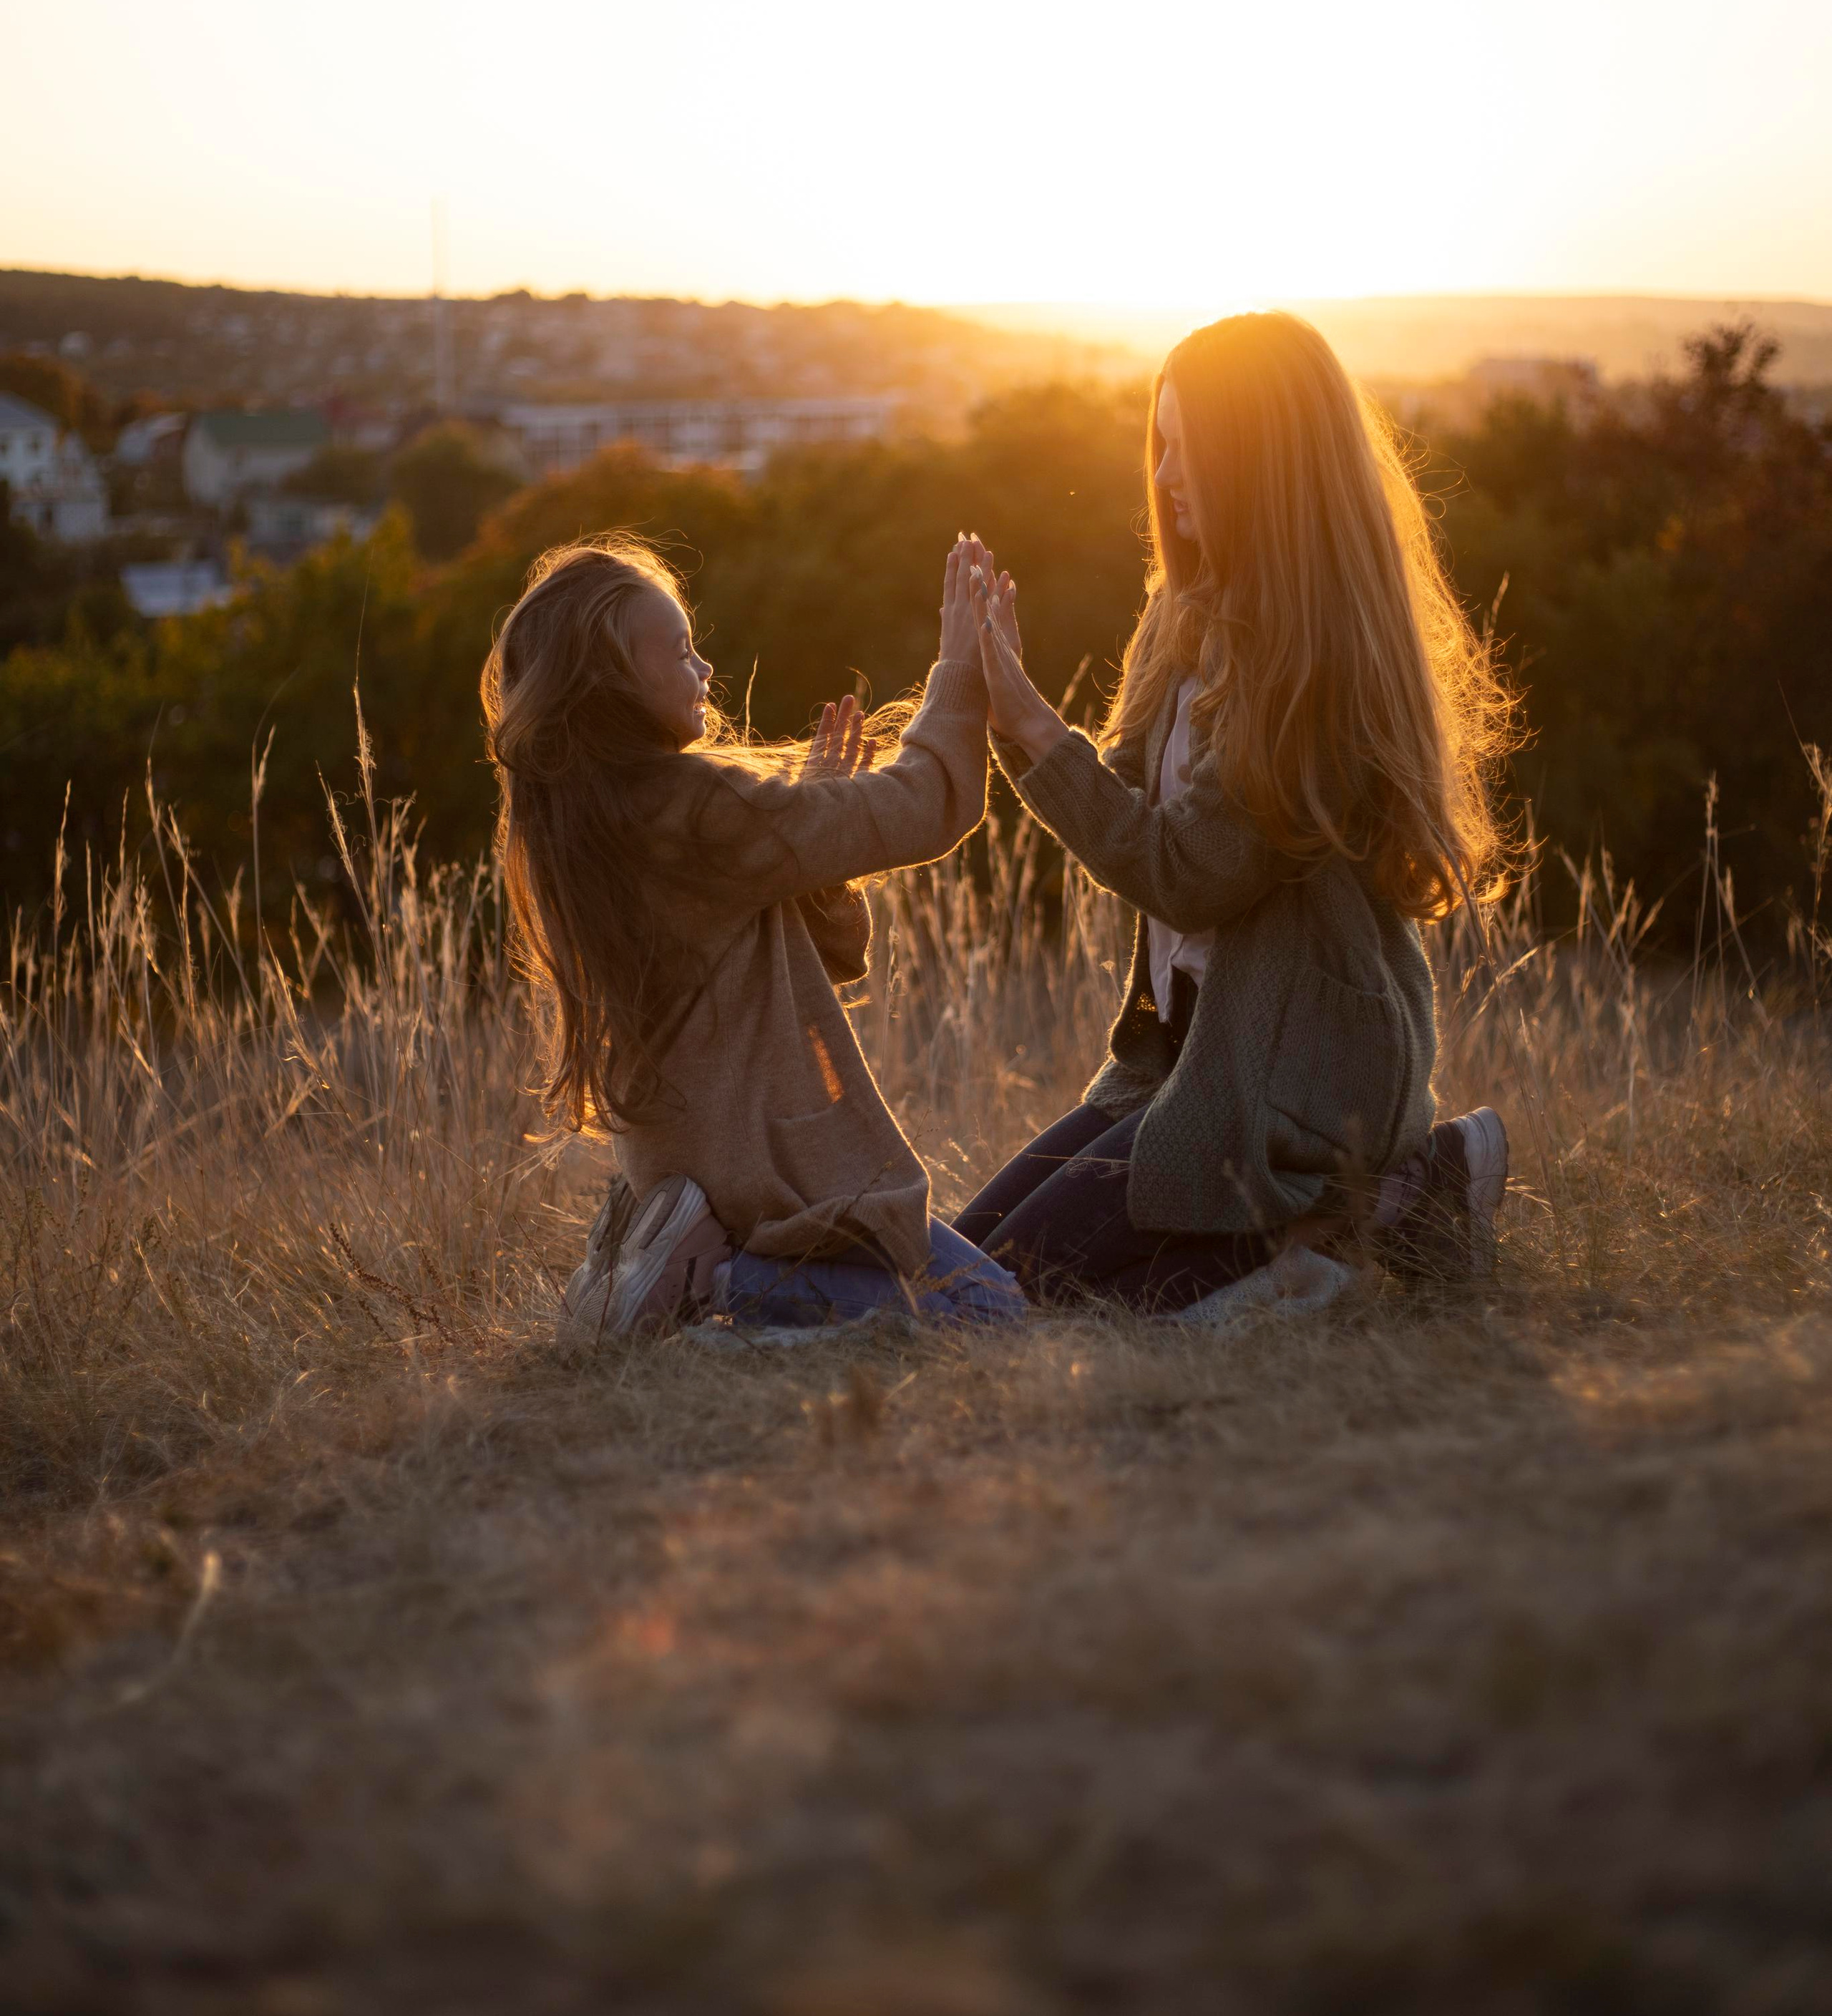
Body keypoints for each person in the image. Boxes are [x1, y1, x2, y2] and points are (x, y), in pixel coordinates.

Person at [954, 309, 1514, 1318]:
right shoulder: (1185, 610)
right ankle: (1375, 1219)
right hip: (1188, 1059)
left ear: (1263, 464)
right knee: (966, 1259)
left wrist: (1032, 725)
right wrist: (1010, 714)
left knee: (1012, 1295)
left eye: (1193, 450)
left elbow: (1187, 870)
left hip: (1297, 1075)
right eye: (1158, 443)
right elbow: (1122, 797)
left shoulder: (1307, 653)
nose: (1165, 476)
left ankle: (1391, 1209)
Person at [480, 532, 1025, 1342]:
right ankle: (710, 1283)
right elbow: (922, 808)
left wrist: (804, 847)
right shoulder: (694, 808)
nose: (704, 670)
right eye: (682, 650)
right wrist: (961, 674)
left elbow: (806, 956)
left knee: (972, 1296)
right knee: (993, 1313)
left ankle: (674, 1269)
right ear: (613, 679)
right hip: (755, 1178)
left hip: (688, 1171)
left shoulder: (590, 819)